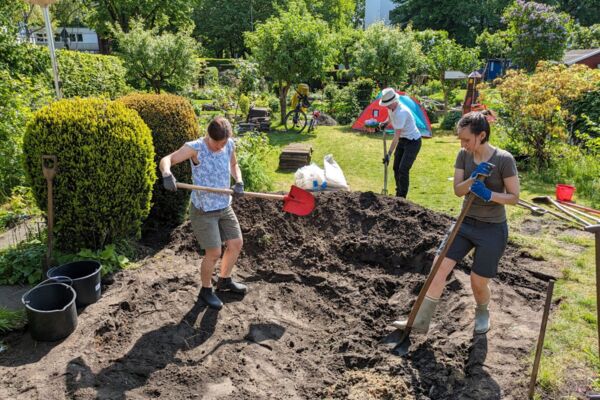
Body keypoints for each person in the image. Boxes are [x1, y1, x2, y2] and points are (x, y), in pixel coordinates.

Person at [391, 111, 519, 334]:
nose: (463, 144)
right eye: (461, 139)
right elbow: (458, 191)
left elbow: (514, 197)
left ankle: (482, 310)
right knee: (437, 269)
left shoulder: (503, 160)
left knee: (478, 282)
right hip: (464, 223)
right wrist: (472, 179)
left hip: (492, 229)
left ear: (481, 135)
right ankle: (420, 321)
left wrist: (489, 195)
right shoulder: (463, 156)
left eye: (467, 139)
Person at [159, 116, 247, 310]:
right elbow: (167, 160)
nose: (219, 147)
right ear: (209, 136)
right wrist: (167, 174)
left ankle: (224, 280)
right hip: (204, 210)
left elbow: (233, 165)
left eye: (223, 143)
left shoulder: (229, 144)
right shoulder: (196, 147)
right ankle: (206, 291)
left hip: (224, 205)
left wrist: (238, 180)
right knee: (214, 252)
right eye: (217, 143)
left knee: (236, 243)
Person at [379, 87, 422, 198]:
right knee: (395, 167)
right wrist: (385, 123)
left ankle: (402, 198)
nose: (387, 106)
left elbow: (396, 137)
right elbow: (390, 117)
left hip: (413, 141)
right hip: (403, 140)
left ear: (394, 101)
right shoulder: (391, 108)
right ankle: (399, 193)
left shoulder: (401, 112)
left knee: (403, 169)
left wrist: (388, 154)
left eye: (388, 104)